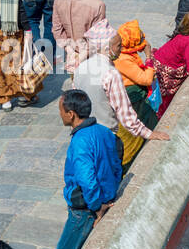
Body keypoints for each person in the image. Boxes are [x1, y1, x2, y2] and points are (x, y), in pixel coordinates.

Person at [21, 91, 122, 249]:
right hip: (105, 197)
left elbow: (87, 180)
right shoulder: (104, 132)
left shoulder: (80, 142)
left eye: (61, 111)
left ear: (71, 114)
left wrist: (97, 207)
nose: (60, 115)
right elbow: (117, 160)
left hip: (84, 211)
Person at [71, 21, 170, 168]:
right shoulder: (110, 73)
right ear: (107, 48)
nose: (121, 49)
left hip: (82, 134)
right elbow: (125, 114)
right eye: (118, 46)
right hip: (105, 136)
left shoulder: (81, 67)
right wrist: (149, 134)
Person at [51, 0, 106, 75]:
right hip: (89, 57)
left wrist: (69, 50)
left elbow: (57, 29)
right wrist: (81, 56)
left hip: (71, 52)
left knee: (75, 85)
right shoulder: (98, 5)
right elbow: (96, 40)